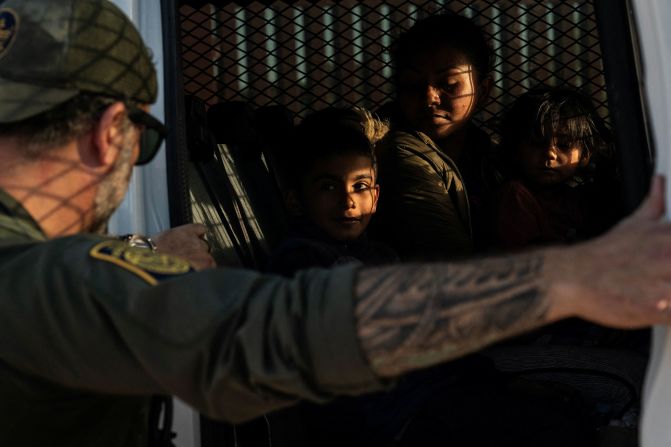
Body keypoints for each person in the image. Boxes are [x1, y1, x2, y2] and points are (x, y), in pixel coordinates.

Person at [1, 1, 671, 446]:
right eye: (146, 142)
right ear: (108, 134)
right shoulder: (44, 286)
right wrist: (571, 275)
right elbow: (280, 331)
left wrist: (143, 250)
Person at [371, 13, 500, 259]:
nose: (430, 97)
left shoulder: (494, 157)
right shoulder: (392, 152)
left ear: (483, 90)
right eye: (412, 86)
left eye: (449, 84)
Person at [266, 107, 397, 276]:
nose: (348, 202)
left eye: (360, 186)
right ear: (295, 200)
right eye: (329, 187)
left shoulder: (381, 254)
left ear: (375, 197)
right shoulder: (301, 259)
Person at [495, 86, 623, 249]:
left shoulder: (578, 199)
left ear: (585, 155)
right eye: (536, 143)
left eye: (564, 145)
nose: (550, 153)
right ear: (516, 148)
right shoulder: (517, 196)